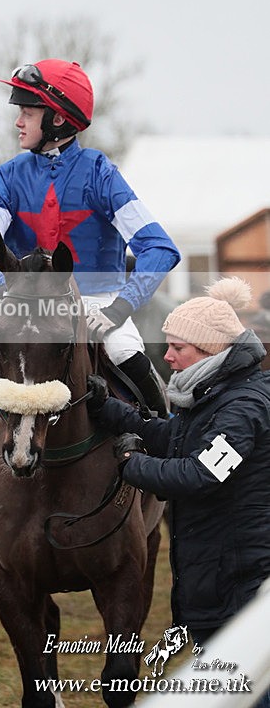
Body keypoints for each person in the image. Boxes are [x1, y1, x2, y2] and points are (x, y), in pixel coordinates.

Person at [0, 58, 180, 492]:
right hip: (28, 301)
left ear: (55, 118)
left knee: (127, 351)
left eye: (26, 113)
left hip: (96, 303)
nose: (17, 122)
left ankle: (170, 444)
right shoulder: (8, 176)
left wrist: (120, 307)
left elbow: (160, 248)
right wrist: (2, 290)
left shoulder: (100, 173)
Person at [86, 276, 270, 700]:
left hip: (241, 576)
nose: (166, 357)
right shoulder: (216, 394)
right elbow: (173, 437)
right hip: (217, 570)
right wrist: (108, 409)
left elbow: (200, 474)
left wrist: (133, 464)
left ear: (212, 351)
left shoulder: (242, 406)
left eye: (177, 348)